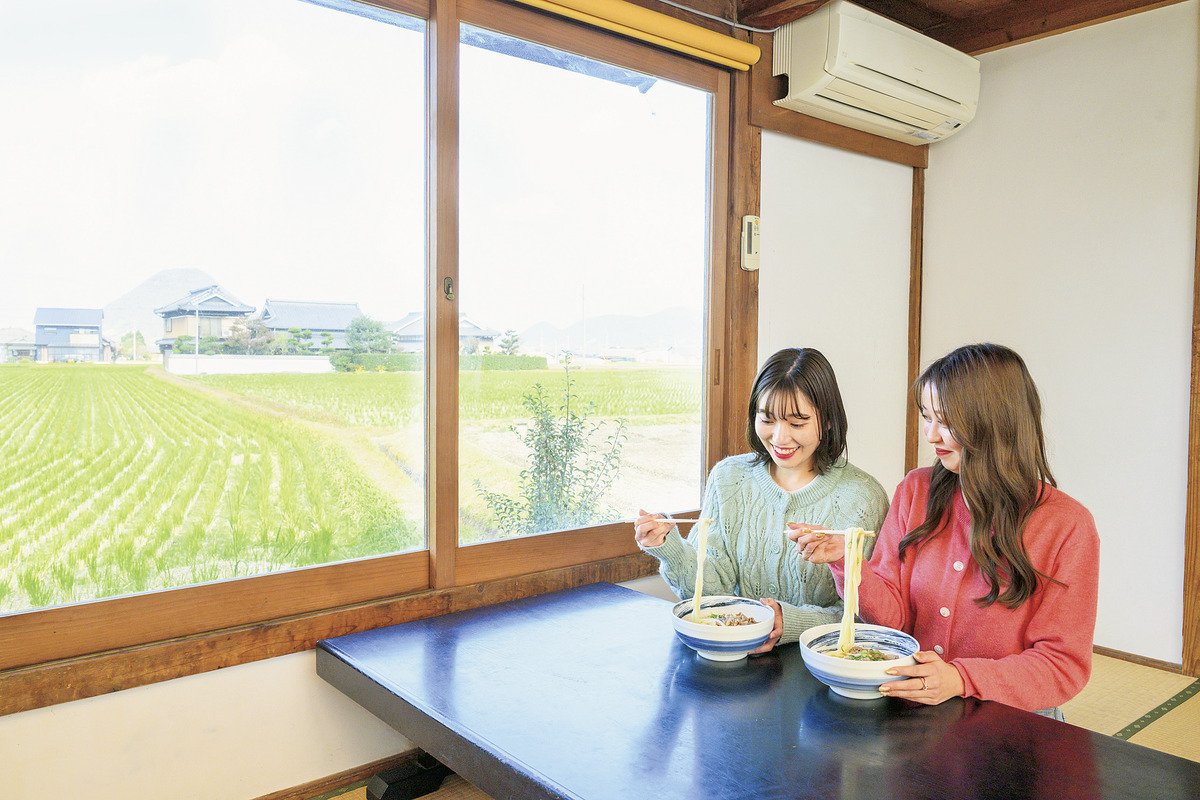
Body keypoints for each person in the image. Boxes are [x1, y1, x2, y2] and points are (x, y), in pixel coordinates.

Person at [792, 343, 1100, 715]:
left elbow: (1062, 665)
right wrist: (848, 560)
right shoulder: (915, 491)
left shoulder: (1067, 526)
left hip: (1010, 721)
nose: (931, 435)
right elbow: (894, 620)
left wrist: (960, 678)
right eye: (926, 416)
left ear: (995, 422)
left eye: (946, 421)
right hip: (915, 713)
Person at [634, 347, 889, 653]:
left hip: (820, 667)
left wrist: (790, 622)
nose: (780, 438)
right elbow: (712, 593)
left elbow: (866, 617)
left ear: (829, 421)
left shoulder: (863, 497)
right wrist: (669, 547)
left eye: (797, 423)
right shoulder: (728, 478)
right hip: (734, 662)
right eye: (767, 419)